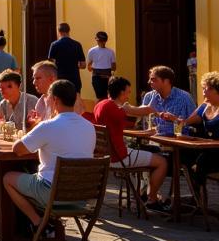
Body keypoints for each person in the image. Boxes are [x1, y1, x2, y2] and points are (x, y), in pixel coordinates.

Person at [5, 79, 96, 228]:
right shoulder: (89, 127)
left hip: (53, 193)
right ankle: (47, 225)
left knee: (8, 178)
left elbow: (18, 149)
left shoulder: (48, 126)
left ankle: (38, 223)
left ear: (54, 100)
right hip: (82, 195)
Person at [93, 76, 168, 211]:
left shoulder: (100, 104)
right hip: (119, 157)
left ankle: (142, 193)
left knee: (149, 154)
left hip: (106, 156)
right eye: (128, 92)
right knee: (162, 162)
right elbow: (140, 113)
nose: (128, 95)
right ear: (121, 93)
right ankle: (152, 199)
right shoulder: (115, 109)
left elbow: (125, 129)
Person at [182, 71, 219, 187]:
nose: (203, 93)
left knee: (202, 161)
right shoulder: (204, 107)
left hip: (216, 152)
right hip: (207, 150)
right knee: (181, 154)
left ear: (216, 90)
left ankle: (199, 199)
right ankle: (196, 197)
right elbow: (186, 122)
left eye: (205, 89)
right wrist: (173, 119)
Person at [141, 65, 195, 136]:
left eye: (153, 80)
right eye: (149, 79)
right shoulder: (149, 97)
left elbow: (193, 124)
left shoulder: (184, 97)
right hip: (154, 141)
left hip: (177, 143)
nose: (149, 82)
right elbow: (145, 124)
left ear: (166, 81)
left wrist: (176, 121)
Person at [47, 23, 86, 91]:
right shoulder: (77, 45)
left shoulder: (54, 45)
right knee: (76, 99)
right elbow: (83, 65)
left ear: (58, 31)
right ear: (69, 31)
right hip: (75, 79)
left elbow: (50, 65)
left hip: (60, 80)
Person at [86, 31, 116, 101]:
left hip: (107, 77)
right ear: (96, 40)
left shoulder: (110, 52)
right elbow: (89, 67)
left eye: (104, 40)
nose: (102, 42)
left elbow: (114, 67)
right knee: (100, 97)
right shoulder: (92, 51)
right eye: (101, 40)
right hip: (97, 77)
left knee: (107, 97)